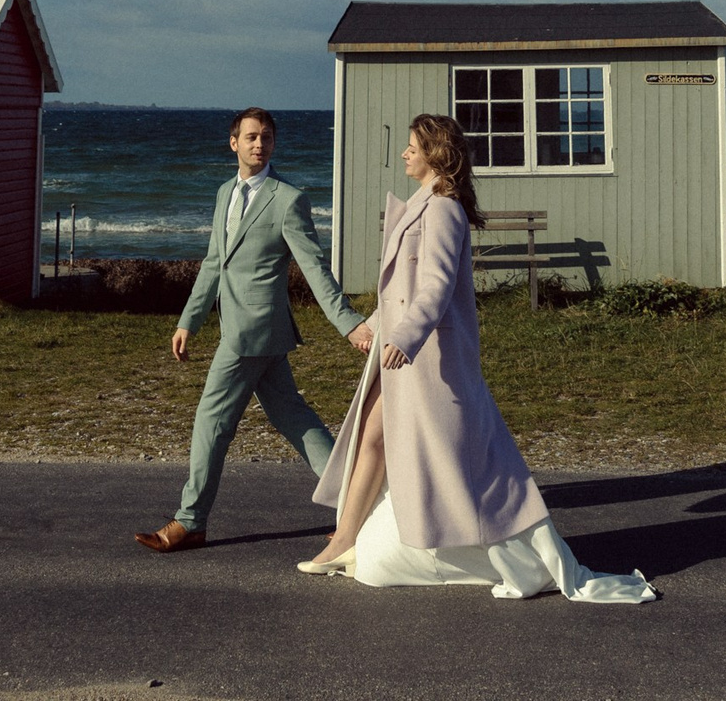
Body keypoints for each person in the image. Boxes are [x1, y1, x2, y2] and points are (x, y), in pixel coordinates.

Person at [303, 113, 655, 603]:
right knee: (373, 437)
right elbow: (403, 287)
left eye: (412, 146)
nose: (404, 153)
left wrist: (405, 337)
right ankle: (343, 539)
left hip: (429, 359)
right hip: (400, 351)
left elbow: (436, 286)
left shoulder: (443, 210)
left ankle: (490, 547)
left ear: (435, 155)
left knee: (459, 460)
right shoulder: (422, 206)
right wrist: (381, 326)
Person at [134, 107, 374, 554]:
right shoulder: (225, 192)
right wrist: (191, 318)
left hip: (253, 332)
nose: (258, 144)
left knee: (211, 423)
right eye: (250, 137)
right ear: (234, 143)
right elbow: (214, 263)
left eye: (265, 138)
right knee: (295, 419)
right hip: (243, 329)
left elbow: (314, 268)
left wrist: (350, 325)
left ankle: (190, 521)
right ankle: (362, 503)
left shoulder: (288, 199)